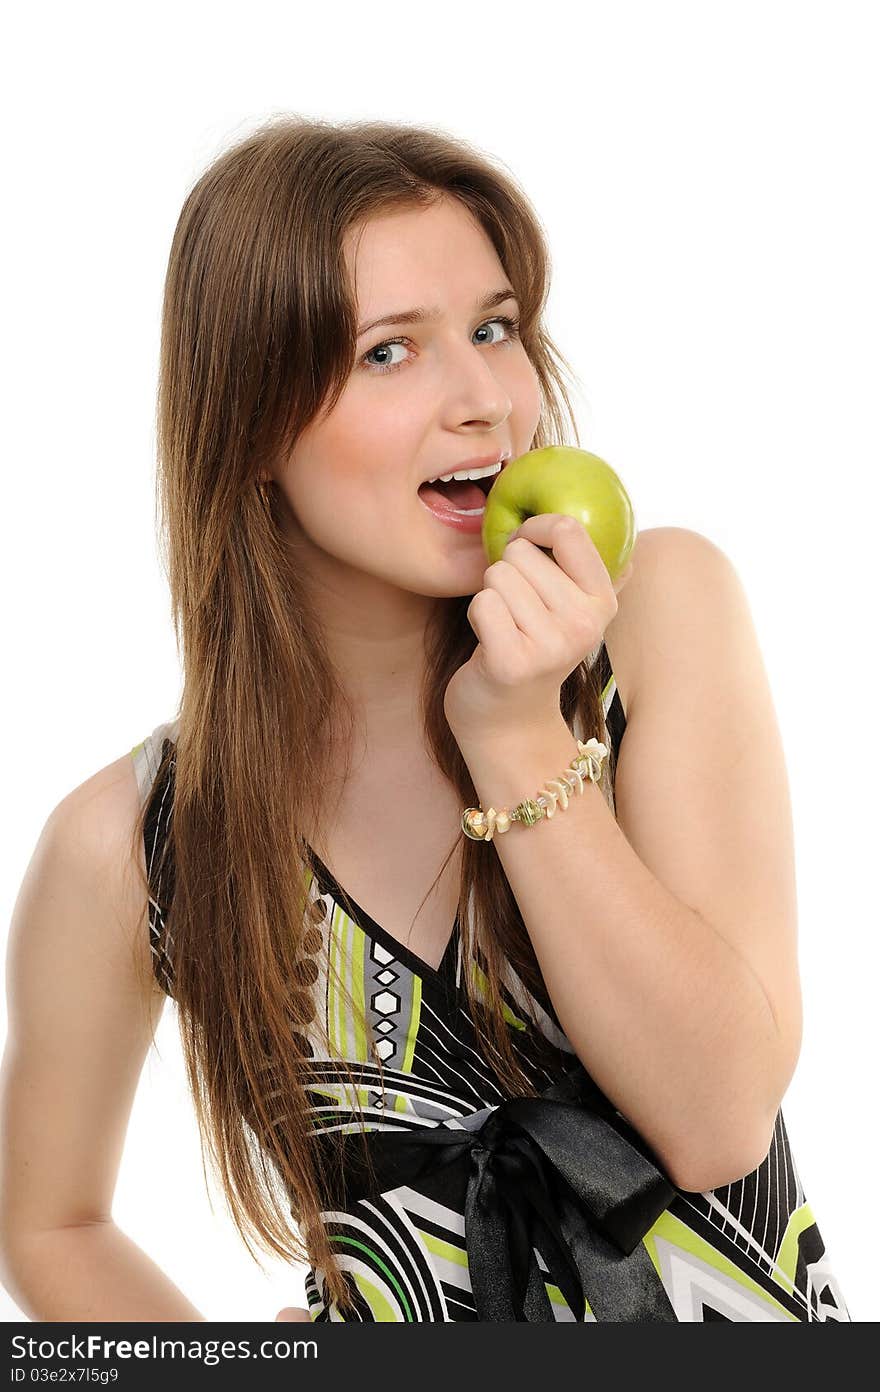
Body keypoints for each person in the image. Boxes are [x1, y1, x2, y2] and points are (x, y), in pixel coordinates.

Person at [0, 116, 850, 1324]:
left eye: (494, 329)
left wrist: (515, 735)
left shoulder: (653, 616)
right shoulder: (132, 844)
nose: (487, 402)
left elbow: (715, 1120)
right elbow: (50, 1222)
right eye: (390, 353)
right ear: (248, 424)